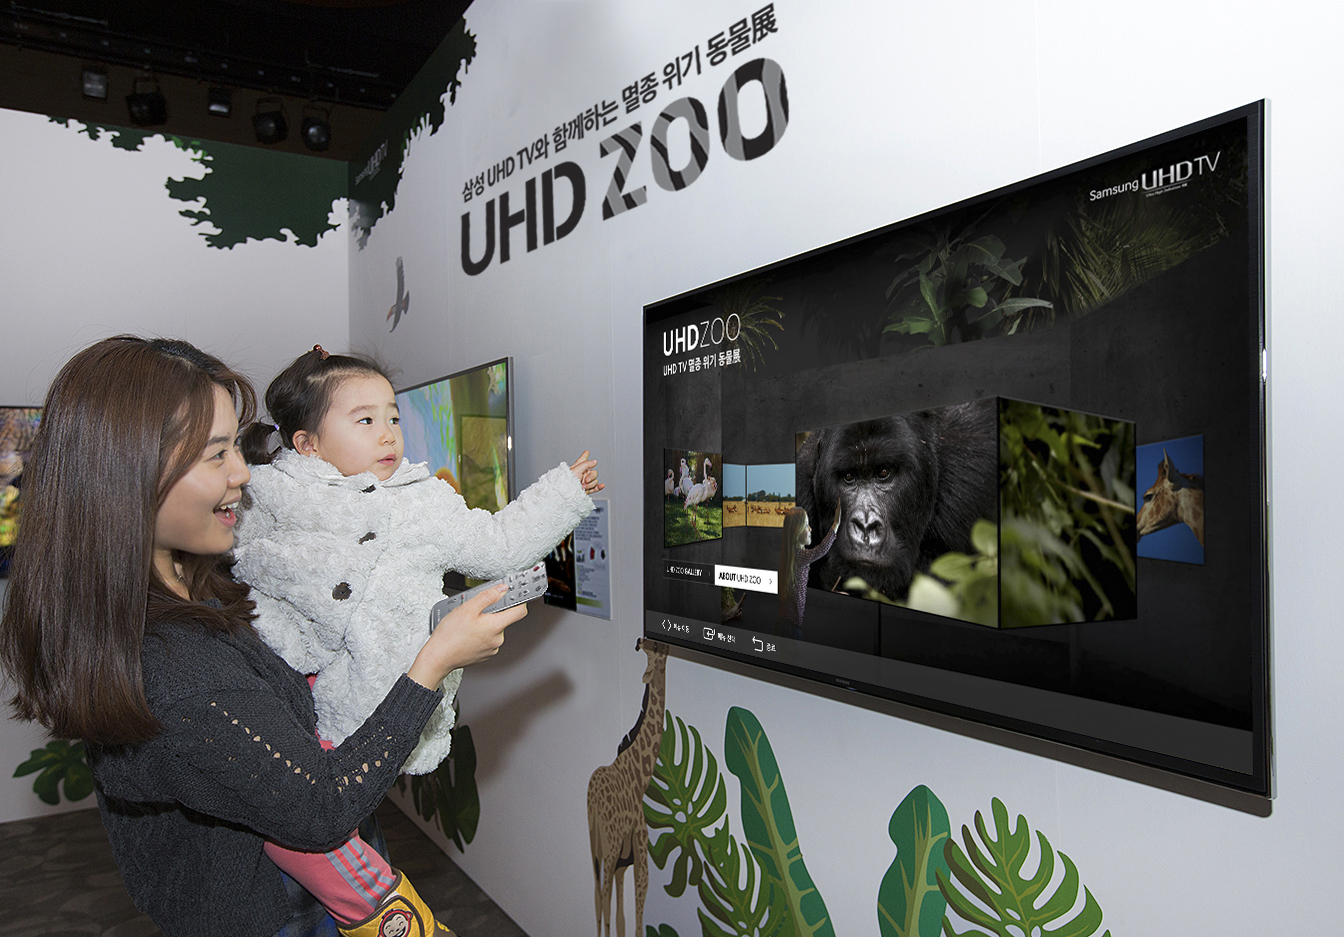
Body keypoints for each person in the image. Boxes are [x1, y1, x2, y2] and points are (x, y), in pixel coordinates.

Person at [0, 336, 524, 937]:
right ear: (129, 473)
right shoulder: (174, 666)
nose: (243, 473)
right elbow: (321, 808)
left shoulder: (192, 586)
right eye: (215, 454)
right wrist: (433, 663)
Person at [230, 345, 602, 929]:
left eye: (394, 419)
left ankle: (389, 916)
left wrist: (564, 494)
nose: (388, 435)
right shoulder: (268, 497)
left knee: (335, 850)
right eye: (366, 420)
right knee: (300, 847)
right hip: (291, 709)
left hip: (380, 708)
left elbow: (498, 545)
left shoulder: (422, 503)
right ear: (306, 445)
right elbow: (246, 572)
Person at [776, 504, 841, 640]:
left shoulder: (790, 555)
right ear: (796, 530)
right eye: (806, 525)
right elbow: (821, 549)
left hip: (784, 621)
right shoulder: (799, 556)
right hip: (792, 626)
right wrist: (836, 524)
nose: (810, 528)